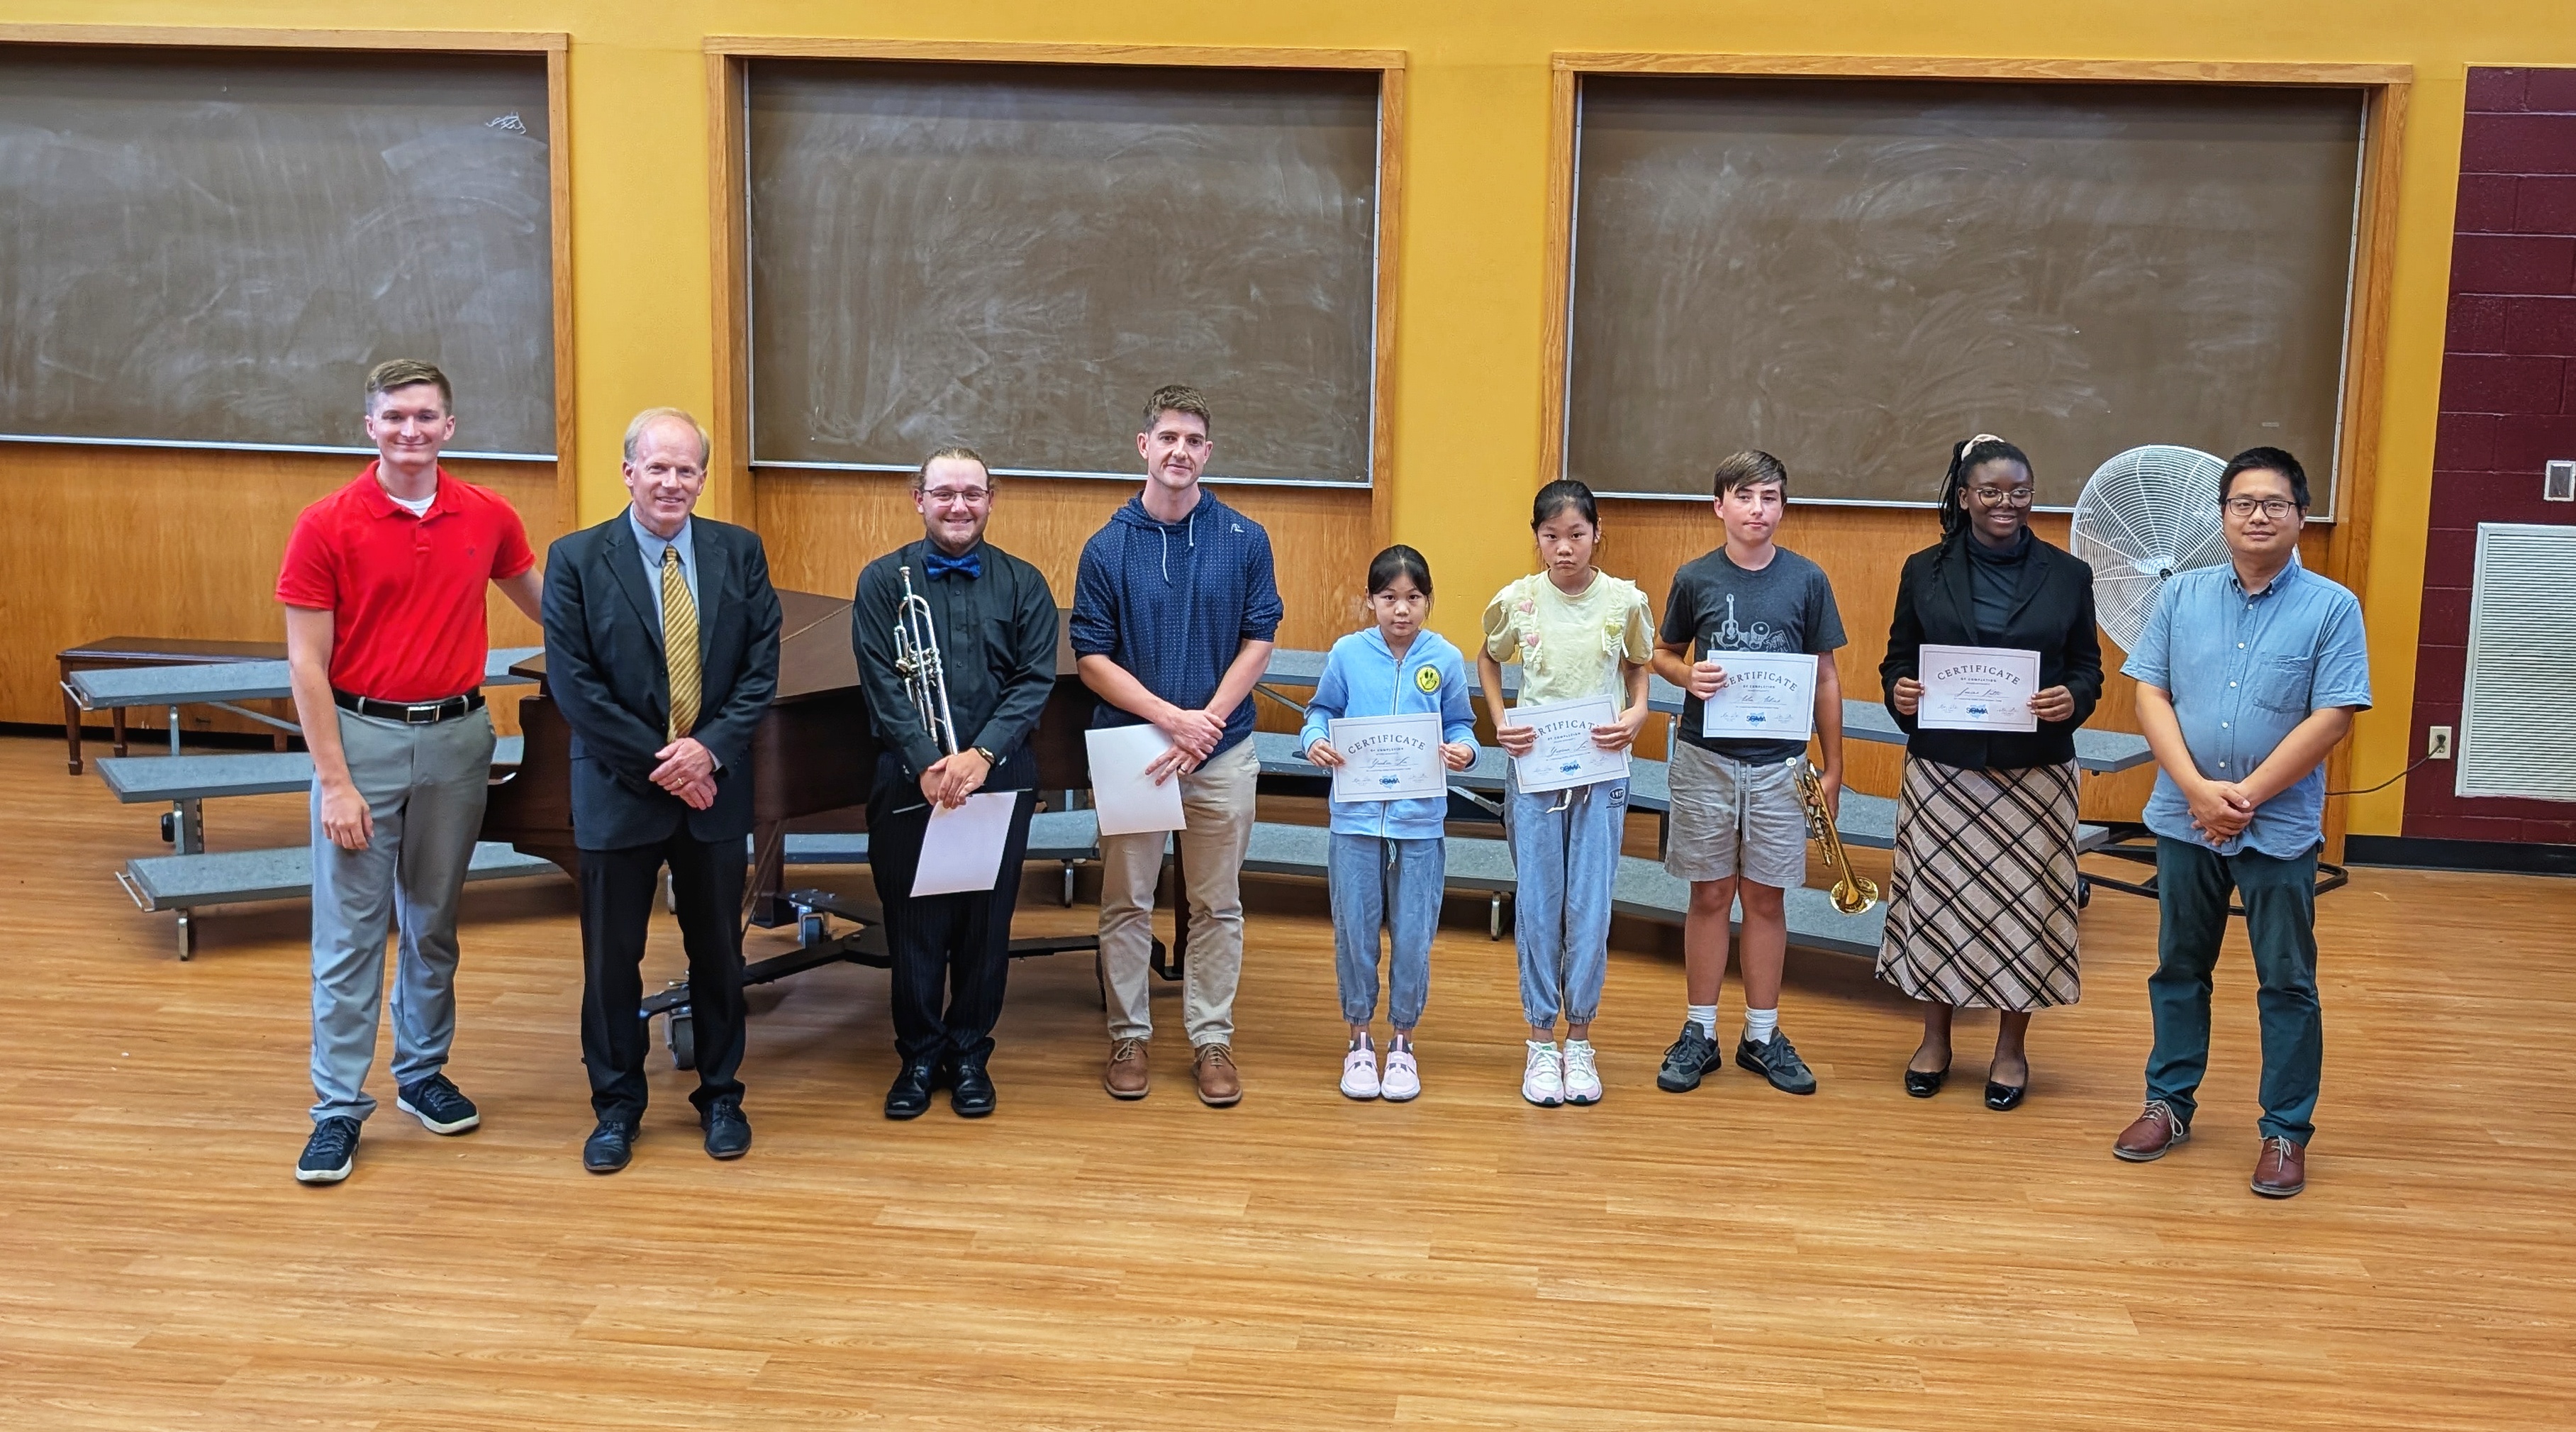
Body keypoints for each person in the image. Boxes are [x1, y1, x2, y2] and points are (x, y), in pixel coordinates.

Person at [279, 358, 543, 1185]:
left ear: (449, 427)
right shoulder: (325, 524)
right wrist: (335, 782)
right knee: (351, 934)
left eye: (425, 416)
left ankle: (422, 1073)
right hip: (362, 741)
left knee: (433, 922)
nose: (410, 430)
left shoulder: (488, 515)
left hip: (459, 739)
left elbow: (553, 612)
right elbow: (306, 665)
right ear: (371, 427)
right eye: (394, 417)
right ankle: (337, 1109)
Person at [2114, 447, 2369, 1199]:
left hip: (2278, 827)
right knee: (2178, 968)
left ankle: (2285, 1131)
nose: (2258, 516)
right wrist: (2197, 791)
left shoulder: (2332, 606)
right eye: (2243, 503)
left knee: (2285, 981)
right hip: (2183, 818)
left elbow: (2334, 715)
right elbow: (2150, 694)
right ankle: (2168, 1103)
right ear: (2221, 515)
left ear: (2300, 516)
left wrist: (2244, 796)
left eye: (2275, 504)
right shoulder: (2180, 595)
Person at [539, 408, 781, 1174]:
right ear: (628, 473)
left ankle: (721, 1095)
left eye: (686, 470)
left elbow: (760, 669)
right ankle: (616, 1107)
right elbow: (575, 687)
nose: (672, 482)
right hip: (620, 790)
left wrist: (707, 752)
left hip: (713, 788)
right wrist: (668, 764)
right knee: (612, 961)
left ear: (702, 478)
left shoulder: (738, 552)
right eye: (658, 467)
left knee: (719, 954)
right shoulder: (577, 559)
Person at [1875, 435, 2103, 1110]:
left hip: (2033, 775)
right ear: (1965, 496)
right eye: (1991, 491)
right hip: (1944, 769)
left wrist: (2073, 698)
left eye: (2020, 491)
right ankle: (1934, 1040)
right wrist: (1900, 691)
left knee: (2022, 910)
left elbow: (2087, 668)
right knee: (1938, 903)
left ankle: (2010, 1049)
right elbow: (1897, 658)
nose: (2007, 503)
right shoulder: (1923, 569)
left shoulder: (2068, 575)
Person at [1072, 384, 1282, 1106]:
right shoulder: (1107, 547)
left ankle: (1212, 1039)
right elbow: (1091, 657)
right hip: (1135, 750)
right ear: (1144, 446)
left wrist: (1206, 724)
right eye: (1168, 438)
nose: (1180, 452)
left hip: (1221, 752)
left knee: (1216, 904)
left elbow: (1260, 638)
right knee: (1126, 902)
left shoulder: (1244, 539)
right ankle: (1128, 1035)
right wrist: (1172, 720)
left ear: (1208, 452)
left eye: (1193, 441)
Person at [851, 446, 1060, 1119]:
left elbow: (1033, 681)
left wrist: (982, 755)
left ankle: (970, 1053)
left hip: (998, 777)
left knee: (984, 924)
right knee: (913, 924)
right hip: (911, 778)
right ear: (919, 500)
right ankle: (918, 1054)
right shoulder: (882, 581)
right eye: (943, 493)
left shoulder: (1024, 583)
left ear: (990, 499)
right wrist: (927, 760)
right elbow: (881, 684)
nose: (958, 505)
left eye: (972, 493)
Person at [1647, 451, 1846, 1098]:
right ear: (1719, 505)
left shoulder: (1807, 580)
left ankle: (1761, 1034)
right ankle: (1699, 1031)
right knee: (1708, 894)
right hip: (1705, 759)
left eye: (1770, 497)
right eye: (1744, 496)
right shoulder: (1695, 577)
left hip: (1781, 766)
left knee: (1765, 898)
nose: (1757, 509)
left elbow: (1825, 675)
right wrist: (1686, 675)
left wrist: (1834, 767)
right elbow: (1662, 653)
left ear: (1782, 506)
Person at [1480, 480, 1654, 1108]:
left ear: (1596, 533)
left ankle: (1579, 1037)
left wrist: (1637, 711)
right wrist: (1501, 719)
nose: (1563, 547)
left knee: (1590, 904)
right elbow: (1488, 659)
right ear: (1536, 538)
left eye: (1576, 534)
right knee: (1537, 902)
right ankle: (1539, 1038)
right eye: (1550, 535)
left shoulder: (1625, 600)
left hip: (1602, 770)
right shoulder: (1517, 600)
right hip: (1536, 771)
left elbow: (1638, 663)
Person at [1298, 545, 1478, 1101]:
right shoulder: (1348, 653)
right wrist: (1315, 739)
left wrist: (1465, 751)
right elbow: (1320, 710)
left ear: (1428, 600)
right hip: (1354, 820)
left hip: (1419, 823)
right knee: (1354, 931)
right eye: (1389, 597)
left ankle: (1402, 1041)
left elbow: (1461, 724)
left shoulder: (1445, 658)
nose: (1401, 609)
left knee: (1414, 935)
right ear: (1370, 600)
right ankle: (1358, 1039)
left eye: (1413, 597)